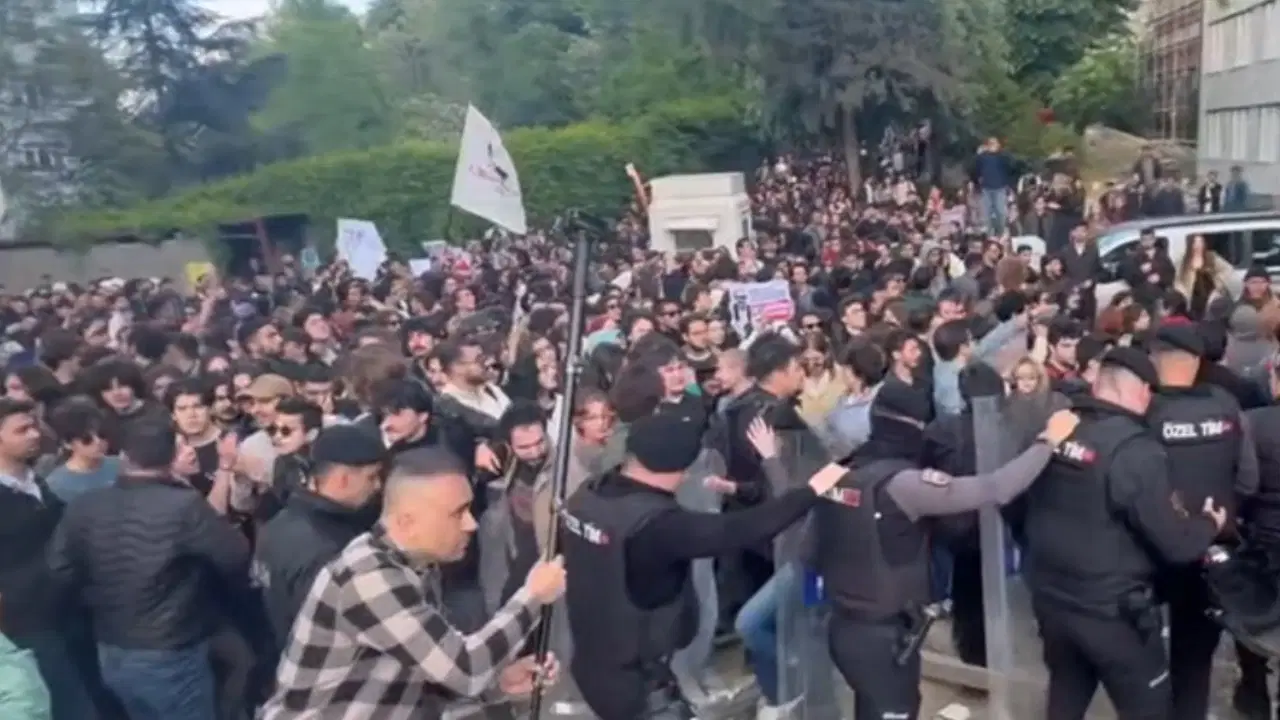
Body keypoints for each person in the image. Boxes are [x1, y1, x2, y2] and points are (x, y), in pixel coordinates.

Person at [814, 381, 1077, 720]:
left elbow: (809, 547)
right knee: (896, 709)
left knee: (871, 709)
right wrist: (1048, 441)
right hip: (884, 636)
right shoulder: (903, 485)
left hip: (845, 628)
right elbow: (996, 488)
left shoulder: (838, 474)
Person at [560, 411, 847, 720]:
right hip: (638, 685)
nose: (686, 478)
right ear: (676, 468)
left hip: (592, 663)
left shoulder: (587, 497)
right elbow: (739, 530)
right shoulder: (656, 525)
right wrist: (812, 490)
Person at [260, 446, 567, 719]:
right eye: (457, 513)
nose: (470, 524)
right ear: (407, 521)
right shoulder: (369, 578)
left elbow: (426, 680)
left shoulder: (414, 568)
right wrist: (534, 596)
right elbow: (466, 668)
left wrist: (497, 684)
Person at [1021, 348, 1228, 720]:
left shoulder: (1056, 428)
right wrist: (1208, 524)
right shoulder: (1136, 451)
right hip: (1114, 615)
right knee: (1149, 709)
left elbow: (1016, 504)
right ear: (1144, 392)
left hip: (1052, 602)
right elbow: (1175, 544)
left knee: (1065, 696)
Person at [47, 415, 250, 720]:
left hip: (110, 644)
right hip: (171, 648)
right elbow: (235, 555)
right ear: (171, 457)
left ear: (124, 456)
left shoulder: (85, 506)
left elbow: (59, 570)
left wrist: (101, 598)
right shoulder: (183, 506)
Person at [1144, 323, 1257, 720]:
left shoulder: (1147, 409)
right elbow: (1248, 479)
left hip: (1149, 548)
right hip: (1210, 544)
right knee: (1194, 656)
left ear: (1156, 360)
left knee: (1139, 650)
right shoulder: (1225, 404)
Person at [253, 424, 386, 650]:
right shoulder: (333, 547)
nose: (377, 486)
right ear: (343, 479)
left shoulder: (278, 523)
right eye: (371, 477)